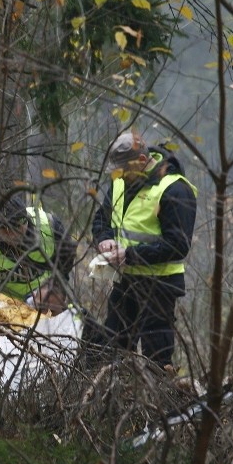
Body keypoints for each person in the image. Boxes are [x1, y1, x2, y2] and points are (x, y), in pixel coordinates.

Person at [90, 131, 197, 368]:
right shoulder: (119, 181)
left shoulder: (175, 189)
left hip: (159, 286)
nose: (118, 175)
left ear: (141, 162)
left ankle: (159, 402)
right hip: (125, 281)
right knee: (114, 350)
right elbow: (101, 219)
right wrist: (104, 239)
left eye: (123, 169)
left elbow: (178, 245)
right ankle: (116, 401)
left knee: (156, 359)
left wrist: (129, 255)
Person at [0, 194, 77, 315]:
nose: (12, 234)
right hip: (3, 307)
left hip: (42, 303)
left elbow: (66, 263)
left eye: (17, 226)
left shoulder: (49, 227)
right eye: (4, 229)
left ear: (26, 219)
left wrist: (55, 286)